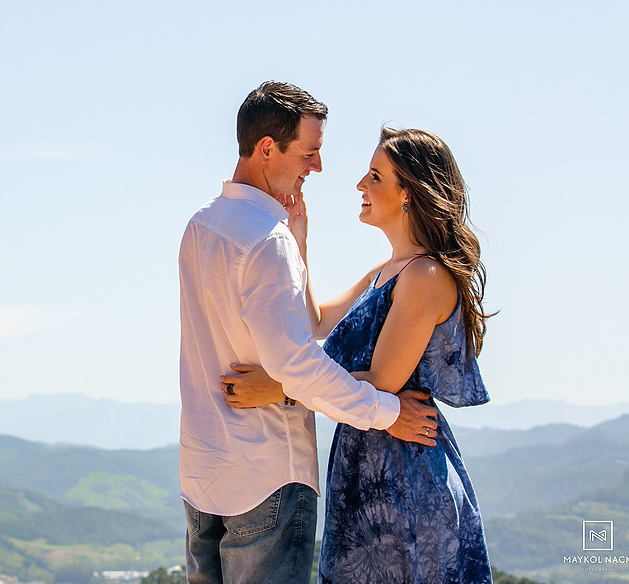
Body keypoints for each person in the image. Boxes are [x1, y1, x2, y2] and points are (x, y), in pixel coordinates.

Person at [178, 82, 440, 584]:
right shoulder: (265, 241)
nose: (318, 167)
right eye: (310, 152)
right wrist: (386, 412)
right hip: (267, 475)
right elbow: (295, 361)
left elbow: (304, 323)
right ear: (267, 148)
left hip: (203, 471)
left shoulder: (201, 226)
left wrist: (297, 241)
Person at [224, 126, 494, 583]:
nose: (360, 185)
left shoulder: (425, 276)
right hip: (364, 470)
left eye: (375, 176)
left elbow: (383, 384)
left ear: (407, 193)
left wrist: (276, 389)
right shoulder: (384, 273)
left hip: (403, 480)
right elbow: (312, 322)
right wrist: (299, 238)